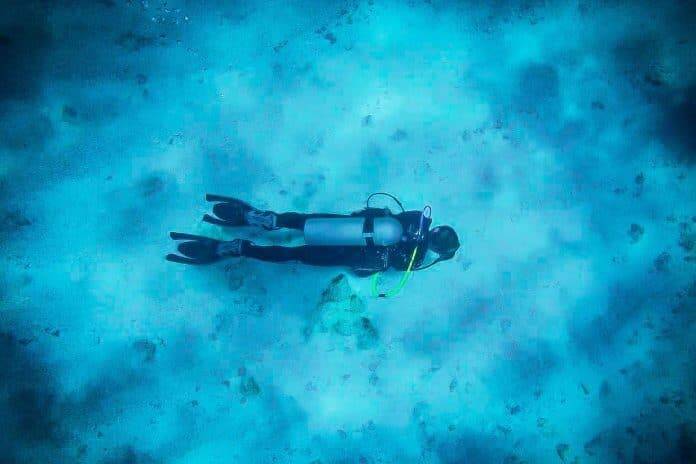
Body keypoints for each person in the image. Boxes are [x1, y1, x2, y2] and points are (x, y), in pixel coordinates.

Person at [166, 193, 460, 276]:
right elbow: (388, 266)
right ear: (436, 249)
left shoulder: (418, 217)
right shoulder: (417, 258)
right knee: (293, 254)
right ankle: (240, 248)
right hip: (349, 251)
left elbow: (386, 212)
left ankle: (263, 218)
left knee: (301, 222)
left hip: (349, 227)